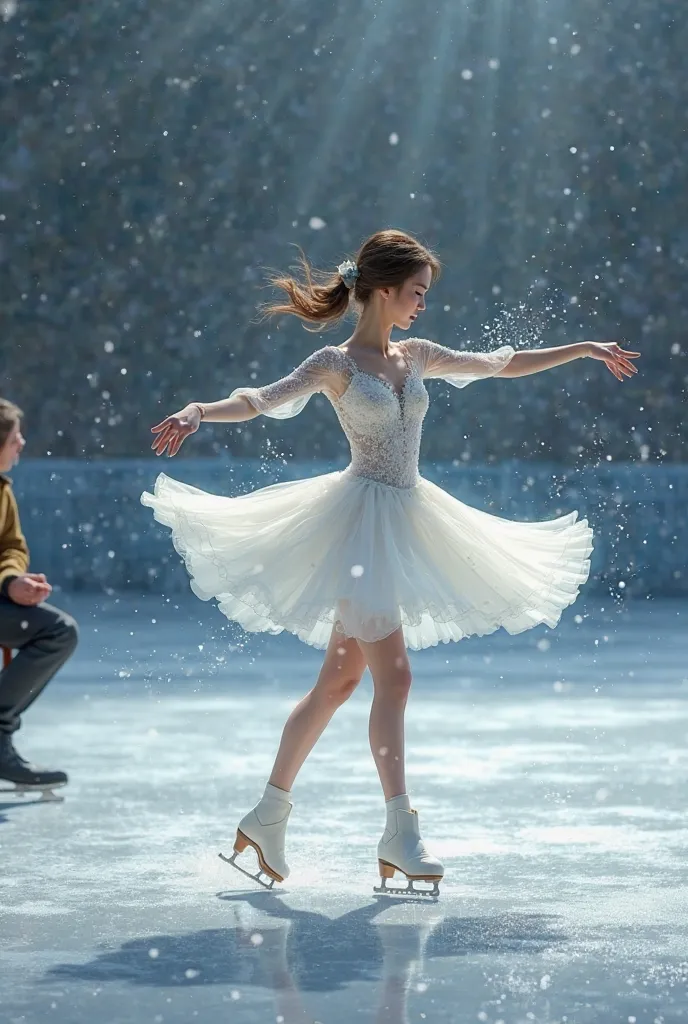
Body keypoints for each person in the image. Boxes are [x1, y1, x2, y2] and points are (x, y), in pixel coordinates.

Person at [141, 229, 640, 894]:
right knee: (394, 678)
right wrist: (201, 410)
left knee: (339, 684)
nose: (422, 304)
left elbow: (501, 362)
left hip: (405, 517)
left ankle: (266, 816)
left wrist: (582, 348)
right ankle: (399, 832)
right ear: (382, 291)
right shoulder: (336, 364)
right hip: (356, 530)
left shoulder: (418, 354)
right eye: (416, 292)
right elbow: (260, 399)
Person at [0, 399, 78, 794]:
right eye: (15, 437)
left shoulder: (3, 491)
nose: (22, 443)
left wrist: (13, 580)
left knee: (59, 631)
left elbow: (12, 547)